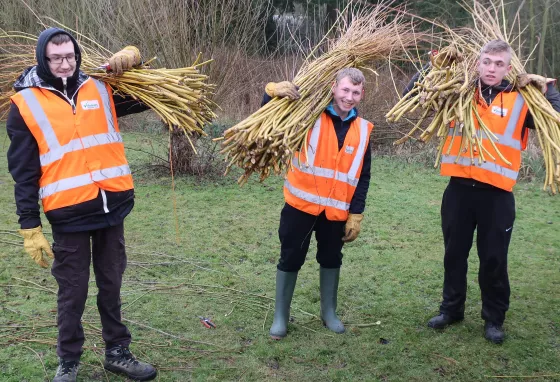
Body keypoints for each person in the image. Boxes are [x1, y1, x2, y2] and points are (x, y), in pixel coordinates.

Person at [7, 27, 157, 381]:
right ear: (43, 59)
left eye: (70, 57)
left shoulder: (101, 87)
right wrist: (29, 224)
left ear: (77, 55)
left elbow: (149, 95)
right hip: (69, 213)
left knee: (112, 283)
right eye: (56, 58)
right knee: (72, 292)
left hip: (112, 206)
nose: (65, 64)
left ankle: (118, 352)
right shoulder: (25, 105)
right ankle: (69, 360)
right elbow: (23, 172)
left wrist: (135, 59)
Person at [405, 40, 560, 344]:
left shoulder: (521, 99)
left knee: (494, 259)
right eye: (486, 61)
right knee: (454, 254)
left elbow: (555, 117)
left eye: (499, 64)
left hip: (497, 195)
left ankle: (494, 319)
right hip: (459, 190)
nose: (491, 69)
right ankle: (451, 309)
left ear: (509, 67)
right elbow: (412, 95)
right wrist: (432, 67)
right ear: (477, 63)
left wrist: (548, 88)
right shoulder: (457, 90)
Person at [264, 68, 374, 339]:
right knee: (290, 257)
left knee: (331, 258)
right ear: (334, 88)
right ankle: (280, 317)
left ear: (362, 95)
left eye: (355, 93)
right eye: (345, 90)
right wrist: (271, 93)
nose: (349, 97)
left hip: (336, 212)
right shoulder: (308, 114)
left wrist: (356, 213)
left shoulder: (363, 129)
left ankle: (329, 313)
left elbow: (363, 176)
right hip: (300, 206)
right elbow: (268, 117)